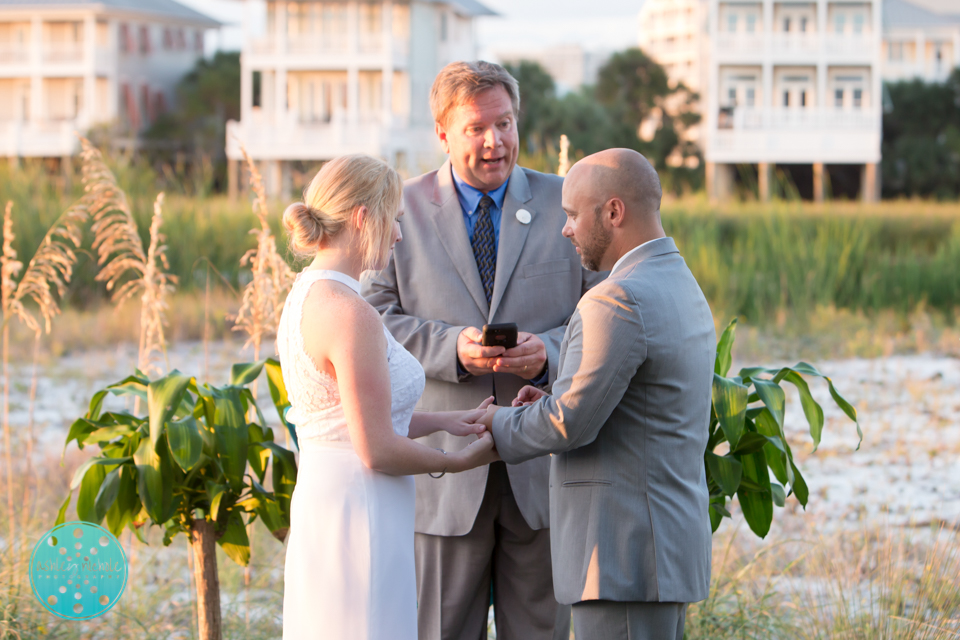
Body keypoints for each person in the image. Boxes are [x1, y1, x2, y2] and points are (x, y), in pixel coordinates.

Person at [362, 61, 603, 640]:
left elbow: (604, 311)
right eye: (477, 128)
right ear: (443, 133)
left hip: (544, 471)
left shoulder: (567, 202)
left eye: (506, 123)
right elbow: (369, 317)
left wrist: (547, 351)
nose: (496, 141)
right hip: (443, 473)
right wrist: (450, 348)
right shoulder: (401, 208)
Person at [480, 148, 716, 640]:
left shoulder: (616, 297)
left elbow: (569, 423)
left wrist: (495, 421)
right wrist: (544, 400)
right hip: (659, 552)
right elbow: (629, 399)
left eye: (571, 214)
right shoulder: (679, 281)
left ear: (613, 211)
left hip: (620, 557)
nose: (565, 229)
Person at [277, 154, 500, 640]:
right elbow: (375, 448)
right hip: (362, 509)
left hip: (327, 500)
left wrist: (450, 419)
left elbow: (348, 416)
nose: (399, 235)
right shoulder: (349, 312)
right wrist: (458, 461)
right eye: (394, 220)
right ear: (363, 218)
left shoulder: (305, 294)